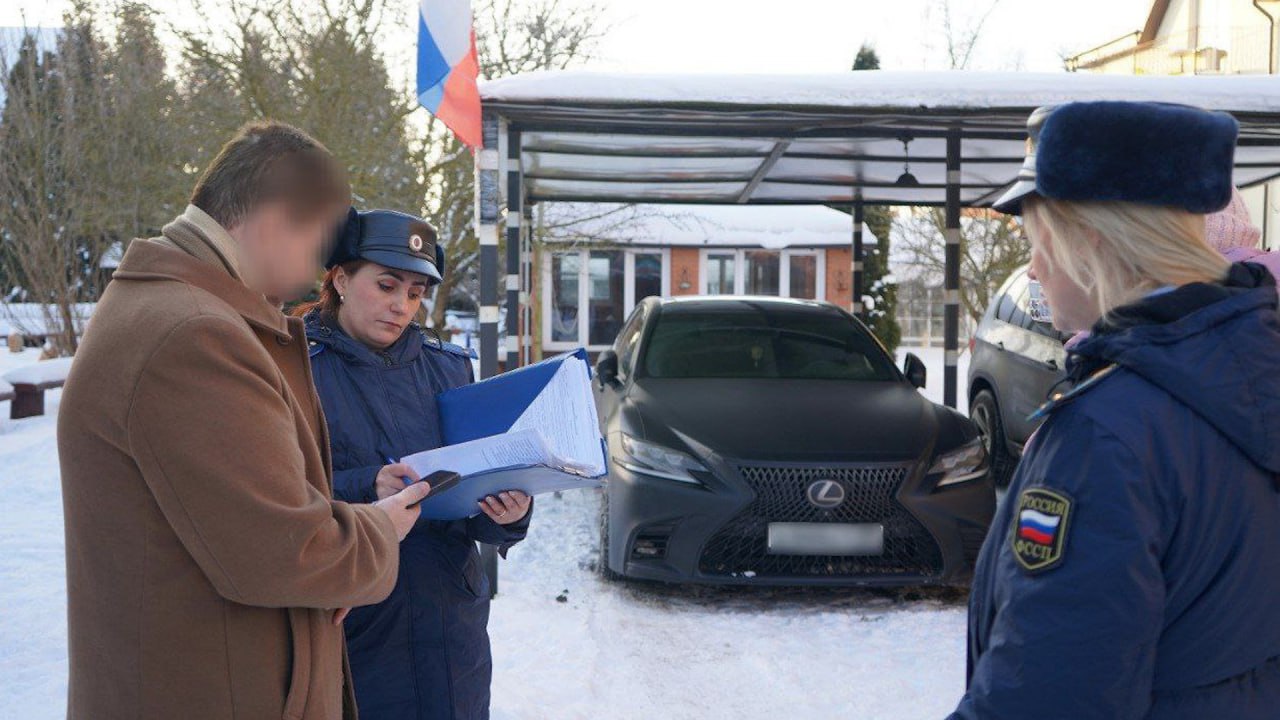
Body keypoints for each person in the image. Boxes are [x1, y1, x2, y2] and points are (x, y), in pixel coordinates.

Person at [57, 122, 432, 720]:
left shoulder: (170, 308)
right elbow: (283, 550)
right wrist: (378, 532)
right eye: (319, 241)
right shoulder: (195, 334)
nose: (317, 269)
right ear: (273, 219)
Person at [950, 101, 1280, 719]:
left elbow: (1047, 698)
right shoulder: (1250, 368)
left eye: (1038, 242)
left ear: (1090, 241)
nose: (1033, 268)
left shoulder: (1107, 433)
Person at [296, 208, 533, 720]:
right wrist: (368, 486)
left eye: (415, 293)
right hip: (352, 622)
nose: (401, 306)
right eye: (386, 286)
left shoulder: (449, 368)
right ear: (339, 279)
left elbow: (473, 493)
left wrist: (509, 514)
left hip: (451, 626)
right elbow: (270, 498)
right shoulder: (294, 370)